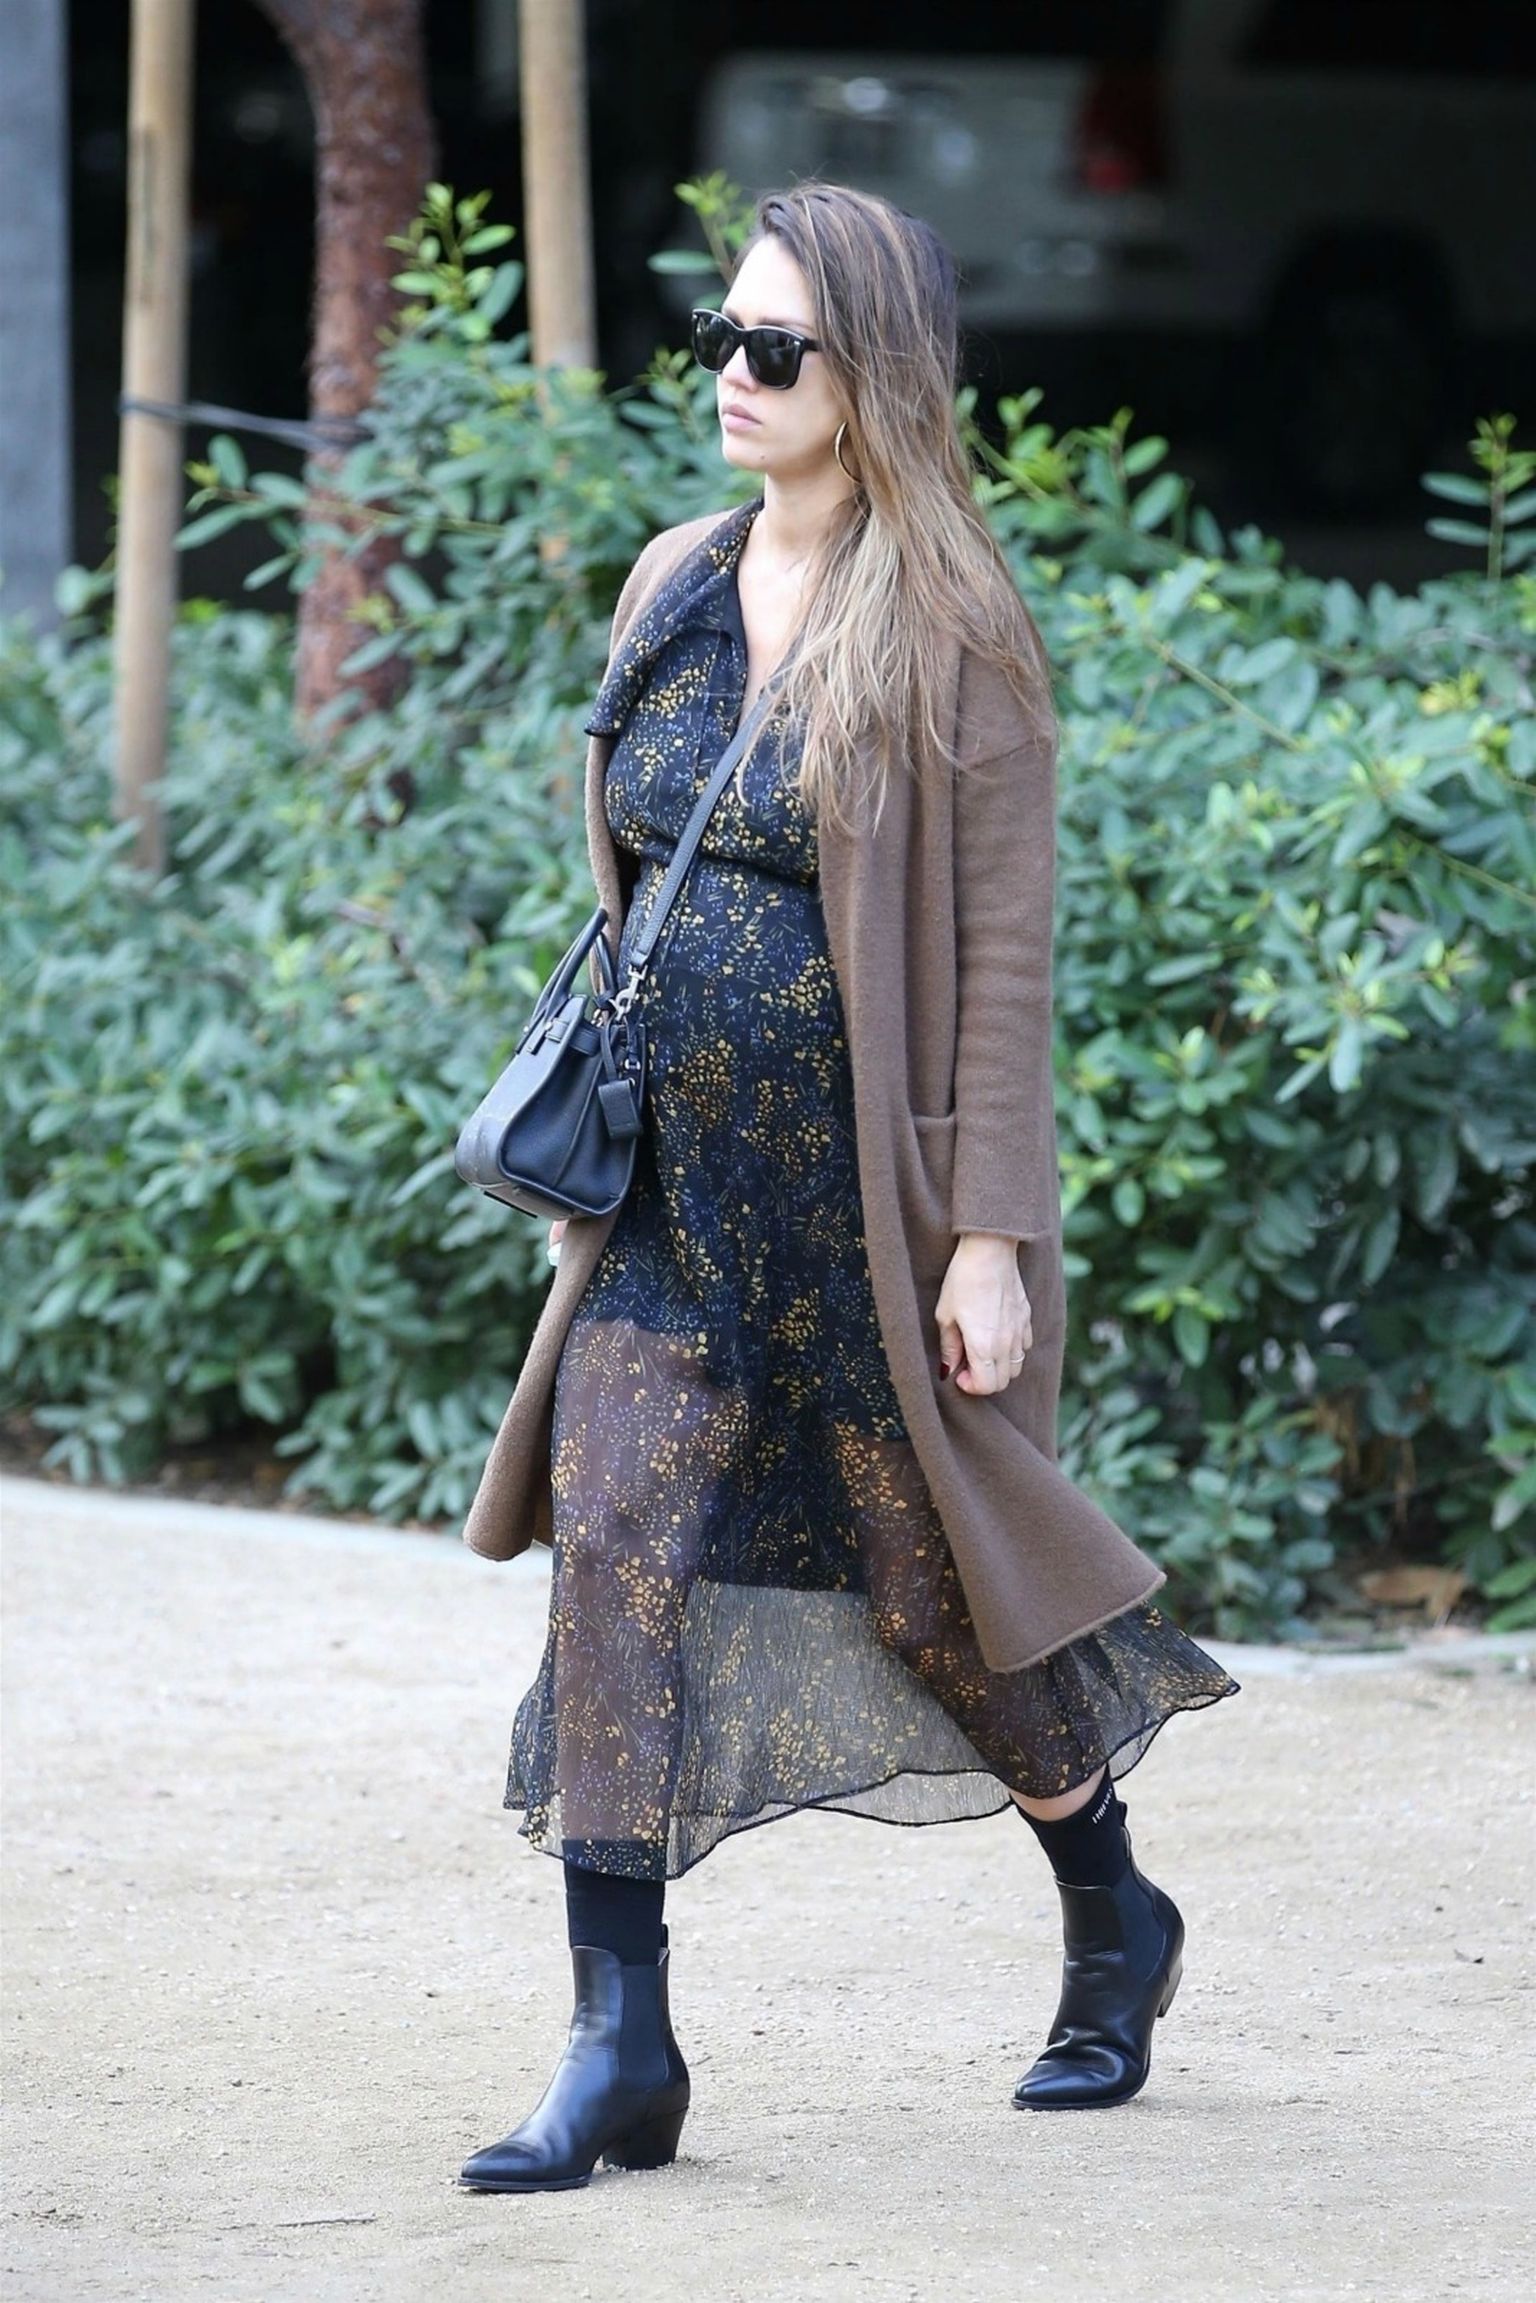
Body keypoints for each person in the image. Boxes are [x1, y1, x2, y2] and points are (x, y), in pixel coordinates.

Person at [457, 182, 1241, 2195]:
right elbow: (631, 869)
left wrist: (991, 1241)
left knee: (929, 1592)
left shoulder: (955, 621)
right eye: (717, 337)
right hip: (667, 1209)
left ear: (872, 373)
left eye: (775, 348)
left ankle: (1112, 1914)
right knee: (612, 1552)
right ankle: (620, 2046)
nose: (732, 374)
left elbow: (1004, 965)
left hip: (862, 1222)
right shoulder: (671, 581)